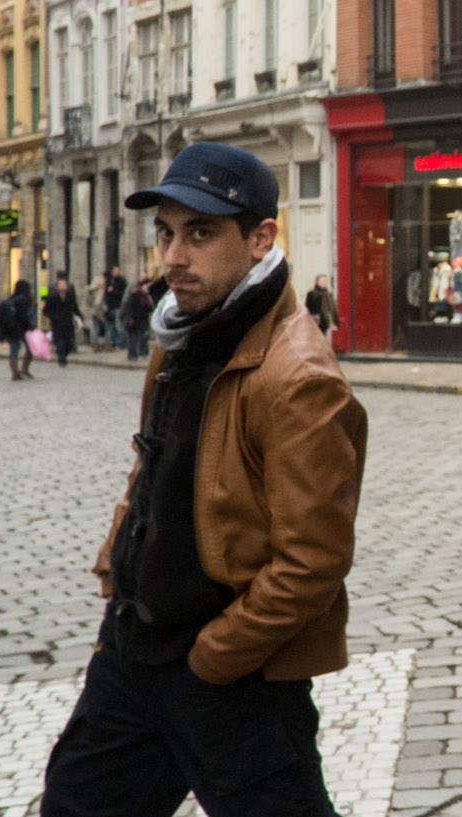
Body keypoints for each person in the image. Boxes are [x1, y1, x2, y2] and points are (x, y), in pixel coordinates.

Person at [41, 141, 368, 817]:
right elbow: (152, 465)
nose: (174, 256)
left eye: (201, 232)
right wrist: (117, 574)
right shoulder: (182, 337)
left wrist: (214, 657)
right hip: (133, 657)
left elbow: (314, 561)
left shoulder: (298, 377)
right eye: (166, 233)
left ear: (259, 238)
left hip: (231, 678)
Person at [41, 276, 82, 366]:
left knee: (69, 343)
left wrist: (80, 315)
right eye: (61, 285)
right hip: (57, 324)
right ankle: (61, 358)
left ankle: (64, 355)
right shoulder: (52, 297)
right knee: (60, 341)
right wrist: (53, 316)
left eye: (64, 285)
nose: (63, 287)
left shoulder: (70, 296)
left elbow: (75, 307)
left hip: (68, 323)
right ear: (57, 286)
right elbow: (45, 309)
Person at [0, 278, 33, 380]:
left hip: (10, 329)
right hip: (20, 329)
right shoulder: (22, 299)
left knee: (14, 350)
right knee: (29, 348)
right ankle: (23, 368)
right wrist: (30, 326)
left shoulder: (10, 299)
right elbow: (23, 316)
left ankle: (15, 372)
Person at [121, 268, 156, 362]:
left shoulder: (147, 294)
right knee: (133, 337)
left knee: (144, 335)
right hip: (133, 317)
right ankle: (132, 355)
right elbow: (127, 303)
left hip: (143, 317)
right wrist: (126, 316)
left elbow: (151, 306)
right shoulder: (133, 292)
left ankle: (143, 352)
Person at [304, 273, 338, 338]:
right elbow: (307, 308)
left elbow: (333, 309)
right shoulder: (311, 294)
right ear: (317, 282)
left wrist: (336, 322)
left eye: (325, 281)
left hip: (325, 322)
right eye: (322, 281)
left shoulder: (328, 294)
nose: (324, 283)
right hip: (314, 322)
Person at [103, 265, 127, 348]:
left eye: (117, 270)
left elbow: (123, 294)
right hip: (110, 307)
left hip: (118, 306)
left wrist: (114, 291)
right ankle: (113, 342)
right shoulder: (109, 281)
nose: (116, 272)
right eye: (115, 271)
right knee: (111, 326)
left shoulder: (122, 281)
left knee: (119, 325)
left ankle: (120, 343)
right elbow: (106, 293)